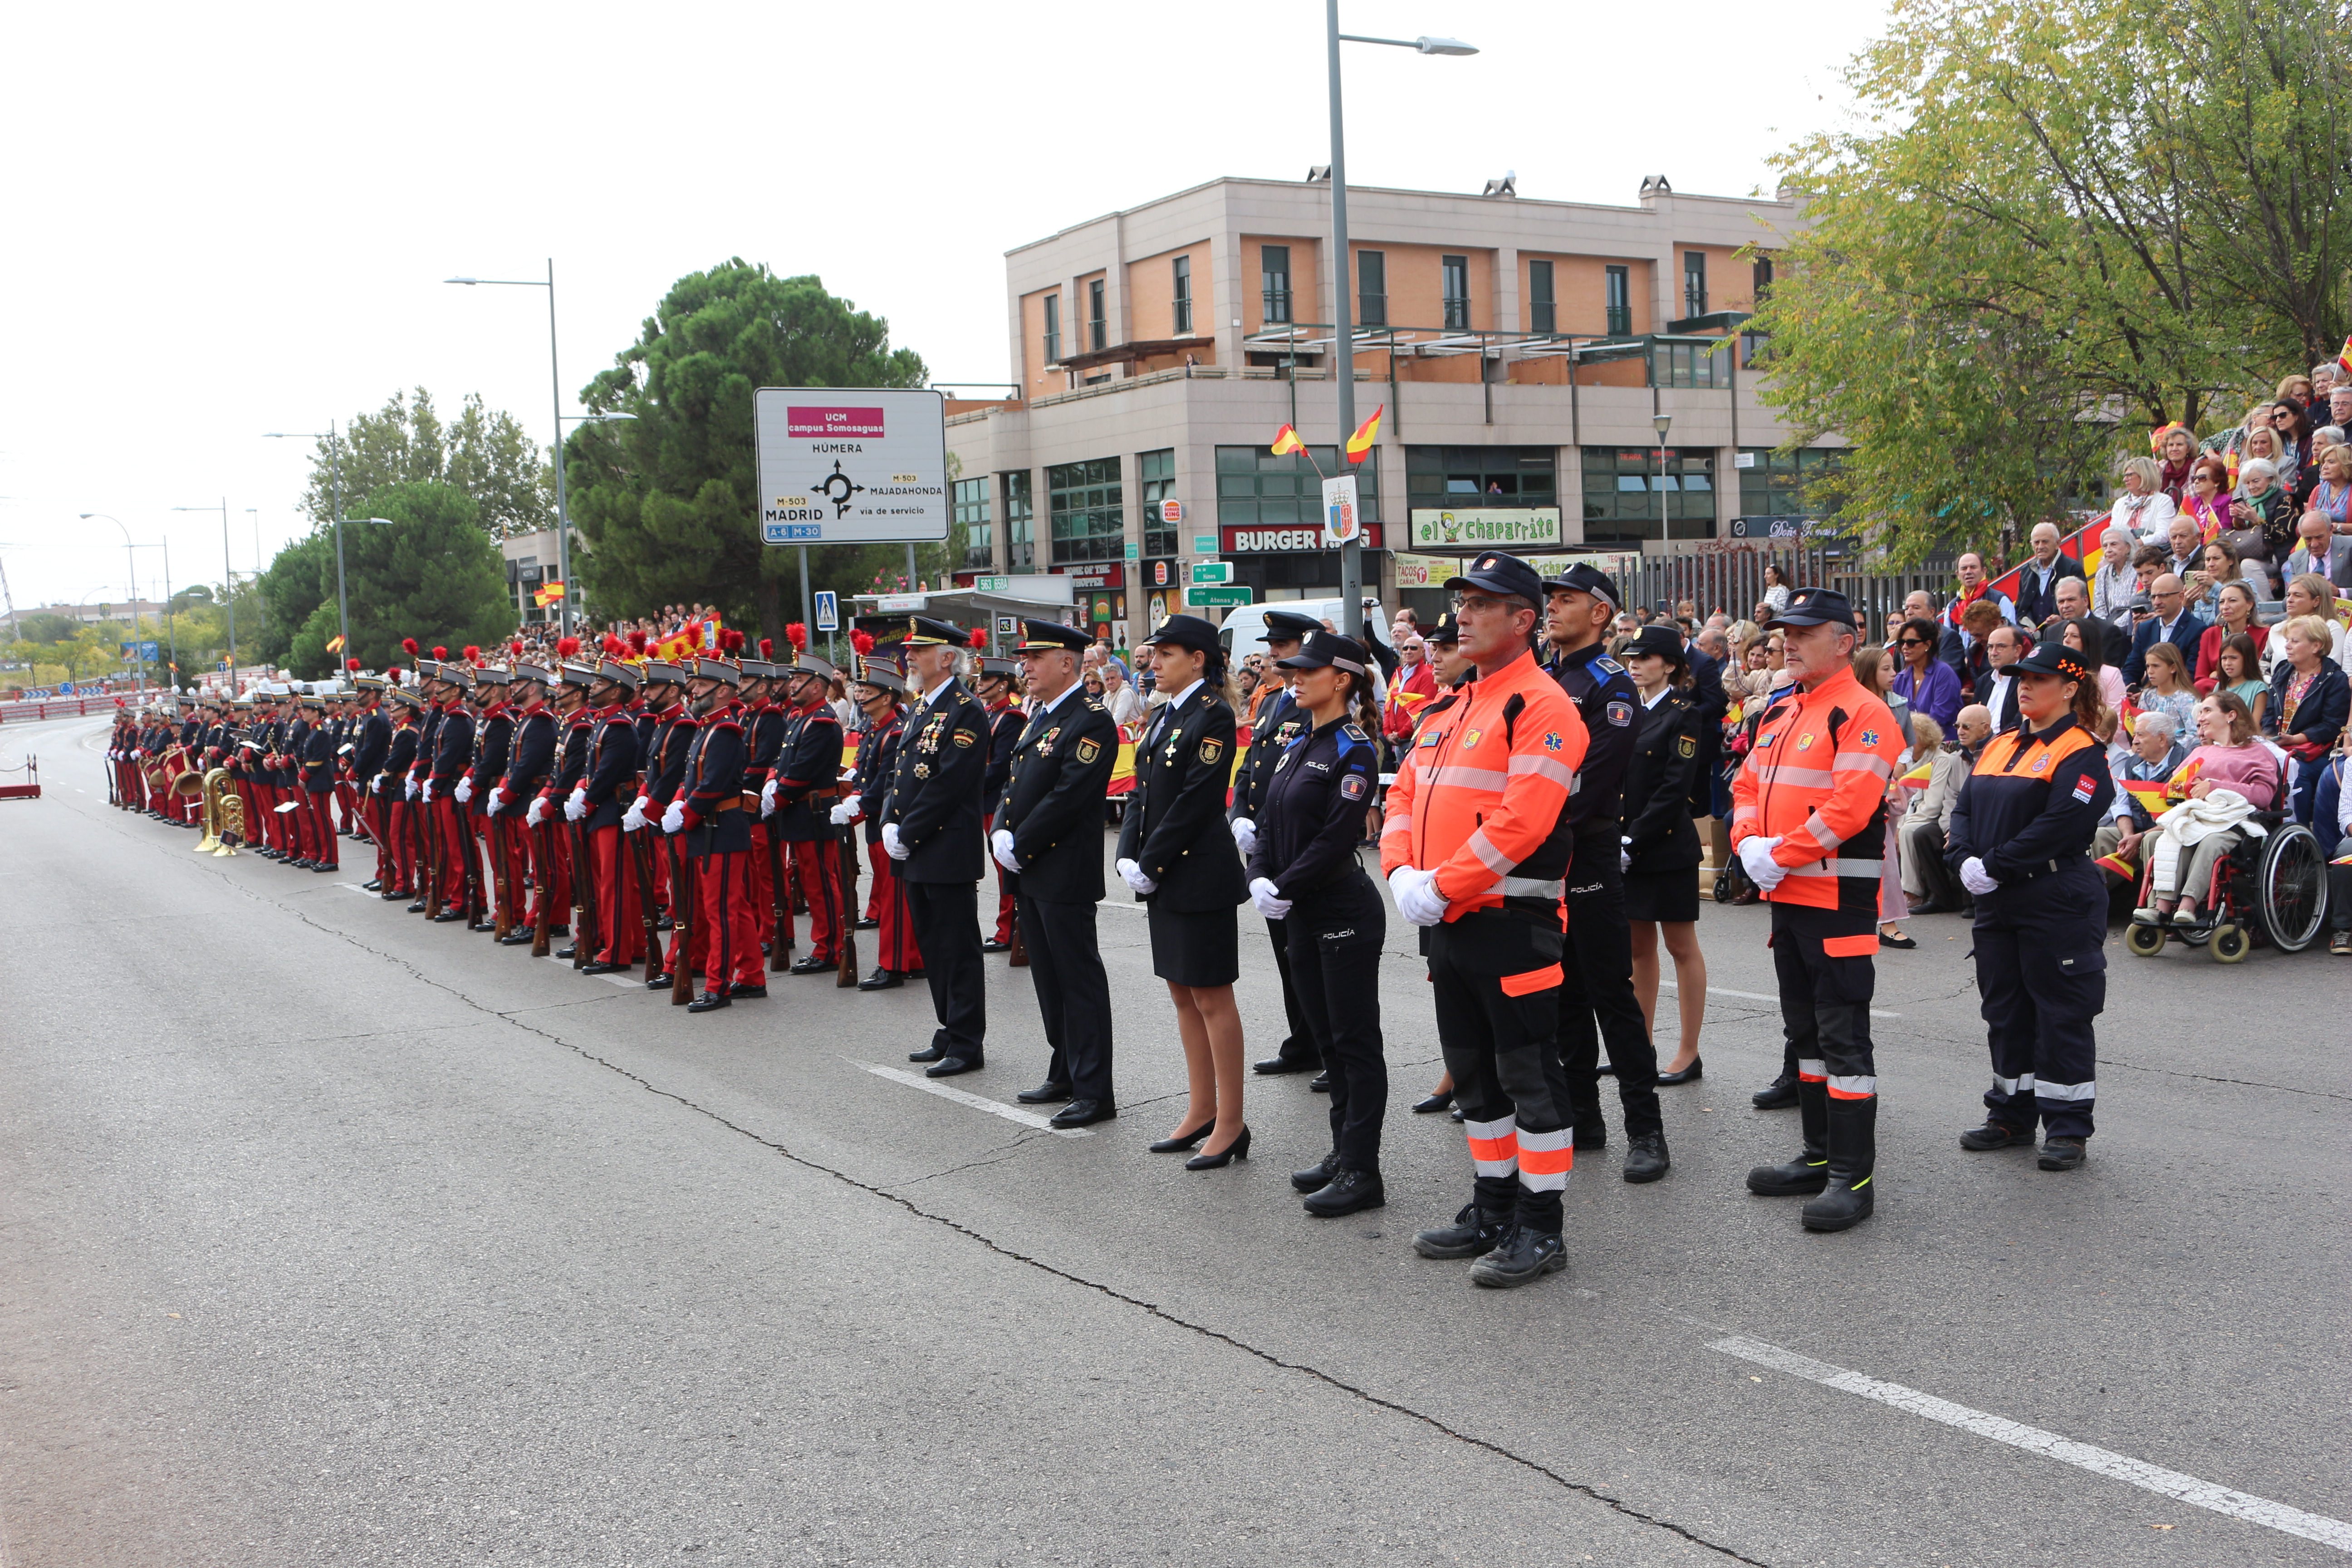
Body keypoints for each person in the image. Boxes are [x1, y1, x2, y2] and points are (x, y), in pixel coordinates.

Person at [1381, 551, 1587, 1287]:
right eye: (1459, 601)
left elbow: (1521, 821)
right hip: (1448, 920)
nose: (1460, 614)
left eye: (1479, 603)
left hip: (1510, 921)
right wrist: (1403, 872)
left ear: (1522, 620)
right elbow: (1400, 798)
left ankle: (1541, 1226)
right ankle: (1494, 1207)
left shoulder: (1542, 706)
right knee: (1473, 1081)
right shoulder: (1449, 708)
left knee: (1529, 1075)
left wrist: (1441, 886)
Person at [1732, 587, 1902, 1232]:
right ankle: (1817, 1154)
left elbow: (1851, 806)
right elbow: (1746, 782)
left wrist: (1784, 853)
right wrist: (1751, 843)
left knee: (1842, 1039)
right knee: (1805, 1037)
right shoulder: (1782, 711)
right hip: (1790, 897)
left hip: (1835, 902)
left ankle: (1851, 1178)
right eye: (1785, 634)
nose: (1788, 643)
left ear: (1844, 641)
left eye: (1804, 633)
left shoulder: (1863, 714)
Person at [1944, 640, 2113, 1173]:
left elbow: (2062, 823)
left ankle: (2067, 1127)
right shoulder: (1998, 745)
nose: (2025, 686)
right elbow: (1965, 808)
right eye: (2021, 678)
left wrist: (1994, 865)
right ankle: (2011, 1115)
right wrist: (1962, 858)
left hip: (2054, 897)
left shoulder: (2082, 750)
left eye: (2037, 679)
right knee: (2005, 1011)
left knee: (2061, 1012)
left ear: (2069, 689)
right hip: (1999, 900)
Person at [1247, 631, 1390, 1216]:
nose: (1294, 677)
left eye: (1308, 670)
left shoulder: (1354, 749)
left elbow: (1336, 837)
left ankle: (1363, 1169)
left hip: (1340, 909)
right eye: (1292, 669)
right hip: (1301, 911)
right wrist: (1258, 872)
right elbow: (1266, 816)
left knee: (1355, 1043)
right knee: (1329, 1044)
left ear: (1343, 680)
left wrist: (1284, 885)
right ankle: (1342, 1150)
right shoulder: (1297, 742)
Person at [1541, 563, 1669, 1183]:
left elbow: (1595, 775)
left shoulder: (1609, 683)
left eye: (1566, 600)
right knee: (1560, 992)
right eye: (1550, 600)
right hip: (1541, 854)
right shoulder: (1544, 677)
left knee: (1610, 994)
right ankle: (1583, 1116)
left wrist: (1531, 818)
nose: (1552, 609)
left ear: (1599, 613)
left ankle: (1646, 1130)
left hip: (1583, 849)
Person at [1117, 613, 1253, 1168]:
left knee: (1212, 997)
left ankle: (1231, 1122)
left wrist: (1150, 860)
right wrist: (1128, 852)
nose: (1154, 664)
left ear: (1198, 659)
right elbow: (1142, 794)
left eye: (1166, 655)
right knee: (1182, 994)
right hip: (1166, 873)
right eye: (1154, 655)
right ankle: (1200, 1109)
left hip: (1199, 875)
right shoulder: (1163, 716)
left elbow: (1198, 799)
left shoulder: (1212, 716)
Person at [993, 622, 1120, 1129]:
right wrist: (1001, 828)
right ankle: (1064, 1069)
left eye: (1035, 657)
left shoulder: (1090, 720)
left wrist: (1020, 843)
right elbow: (1015, 782)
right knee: (1048, 978)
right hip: (1030, 869)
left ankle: (1095, 1090)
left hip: (1062, 869)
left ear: (1067, 663)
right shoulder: (1039, 718)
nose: (1024, 666)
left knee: (1077, 980)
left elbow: (1069, 796)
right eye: (1025, 658)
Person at [883, 617, 993, 1076]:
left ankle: (967, 1042)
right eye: (910, 649)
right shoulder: (923, 707)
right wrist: (890, 819)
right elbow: (903, 774)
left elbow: (949, 784)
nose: (909, 655)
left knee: (956, 947)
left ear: (947, 658)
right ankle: (948, 1028)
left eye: (919, 649)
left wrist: (907, 833)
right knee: (932, 944)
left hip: (945, 847)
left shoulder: (965, 709)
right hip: (919, 850)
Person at [1228, 609, 1327, 1083]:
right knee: (1286, 952)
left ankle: (1327, 1044)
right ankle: (1302, 1040)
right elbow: (1253, 766)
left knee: (1310, 952)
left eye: (1284, 646)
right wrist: (1239, 816)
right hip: (1264, 842)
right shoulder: (1271, 700)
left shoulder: (1314, 703)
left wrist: (1262, 828)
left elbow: (1301, 783)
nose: (1274, 653)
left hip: (1292, 841)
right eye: (1274, 645)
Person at [1617, 626, 1707, 1085]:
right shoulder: (1627, 711)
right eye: (1631, 656)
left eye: (1645, 657)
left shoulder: (1683, 714)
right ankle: (1641, 1044)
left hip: (1665, 848)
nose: (1635, 664)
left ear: (1669, 665)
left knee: (1680, 945)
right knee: (1636, 948)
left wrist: (1635, 839)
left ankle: (1688, 1051)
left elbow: (1676, 787)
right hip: (1627, 846)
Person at [662, 641, 767, 1012]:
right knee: (733, 908)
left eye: (701, 686)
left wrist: (686, 813)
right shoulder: (707, 729)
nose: (693, 691)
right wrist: (679, 800)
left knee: (719, 911)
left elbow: (713, 787)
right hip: (711, 828)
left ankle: (718, 985)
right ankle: (752, 975)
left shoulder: (725, 732)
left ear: (723, 690)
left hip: (719, 828)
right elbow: (692, 779)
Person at [2135, 691, 2281, 931]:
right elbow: (2173, 788)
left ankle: (2188, 906)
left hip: (2233, 822)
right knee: (2156, 838)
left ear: (2231, 715)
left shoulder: (2257, 752)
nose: (2200, 717)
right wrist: (2184, 789)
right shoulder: (2200, 752)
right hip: (2197, 818)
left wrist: (2215, 786)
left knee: (2211, 842)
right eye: (2200, 712)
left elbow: (2264, 795)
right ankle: (2159, 908)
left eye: (2207, 711)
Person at [837, 655, 919, 989]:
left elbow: (888, 784)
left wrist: (859, 804)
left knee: (895, 901)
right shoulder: (876, 730)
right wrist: (854, 791)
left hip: (889, 824)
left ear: (887, 697)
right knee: (891, 896)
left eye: (867, 690)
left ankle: (894, 963)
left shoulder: (895, 733)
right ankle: (911, 958)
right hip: (875, 824)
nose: (859, 695)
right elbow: (863, 772)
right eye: (859, 689)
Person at [766, 648, 848, 976]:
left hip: (813, 813)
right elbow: (781, 760)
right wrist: (773, 782)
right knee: (812, 881)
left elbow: (803, 771)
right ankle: (824, 943)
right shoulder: (798, 719)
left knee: (820, 884)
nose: (792, 685)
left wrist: (780, 795)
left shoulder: (822, 722)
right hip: (799, 813)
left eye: (799, 680)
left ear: (818, 686)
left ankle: (830, 947)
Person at [569, 650, 645, 973]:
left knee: (613, 885)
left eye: (599, 682)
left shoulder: (619, 727)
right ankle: (633, 944)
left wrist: (586, 801)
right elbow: (593, 769)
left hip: (613, 809)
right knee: (611, 882)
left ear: (616, 691)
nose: (593, 687)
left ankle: (617, 952)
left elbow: (609, 773)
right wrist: (580, 788)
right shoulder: (604, 723)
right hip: (603, 808)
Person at [2264, 613, 2350, 823]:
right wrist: (2269, 738)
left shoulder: (2334, 680)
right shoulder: (2283, 671)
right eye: (2287, 641)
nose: (2288, 646)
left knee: (2296, 772)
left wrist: (2295, 740)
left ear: (2316, 646)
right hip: (2279, 746)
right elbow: (2269, 713)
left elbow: (2332, 726)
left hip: (2314, 752)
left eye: (2295, 641)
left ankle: (2299, 836)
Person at [2090, 709, 2185, 892]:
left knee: (2151, 839)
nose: (2134, 741)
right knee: (2098, 836)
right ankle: (2090, 900)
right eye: (2134, 735)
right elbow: (2122, 805)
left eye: (2141, 735)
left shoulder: (2183, 764)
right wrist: (2128, 836)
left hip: (2167, 833)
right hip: (2134, 832)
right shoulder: (2133, 763)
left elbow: (2180, 814)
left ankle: (2152, 908)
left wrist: (2140, 837)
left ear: (2162, 739)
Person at [1897, 709, 1974, 914]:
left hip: (1929, 816)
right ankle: (1889, 890)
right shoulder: (1904, 761)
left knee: (1909, 832)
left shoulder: (1941, 761)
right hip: (1908, 814)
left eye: (1911, 735)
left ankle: (1912, 891)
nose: (1906, 739)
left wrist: (1902, 825)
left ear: (1924, 737)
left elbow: (1933, 805)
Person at [974, 655, 1025, 954]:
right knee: (999, 868)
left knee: (1005, 867)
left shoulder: (1011, 718)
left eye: (985, 679)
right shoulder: (990, 715)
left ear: (1002, 684)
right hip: (986, 800)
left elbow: (1000, 767)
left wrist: (970, 787)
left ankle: (1009, 930)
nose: (979, 684)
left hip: (997, 800)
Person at [2123, 573, 2207, 689]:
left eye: (2163, 596)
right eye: (2153, 597)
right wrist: (2130, 689)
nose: (2157, 602)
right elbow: (2132, 667)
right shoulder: (2145, 629)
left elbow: (2190, 675)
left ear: (2181, 597)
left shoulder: (2198, 630)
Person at [2192, 581, 2267, 692]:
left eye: (2232, 601)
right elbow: (2201, 678)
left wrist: (2219, 675)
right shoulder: (2210, 634)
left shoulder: (2264, 634)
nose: (2225, 607)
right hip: (2215, 694)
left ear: (2249, 605)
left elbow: (2258, 675)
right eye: (2222, 602)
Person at [1892, 616, 1961, 733]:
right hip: (1910, 745)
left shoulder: (1944, 674)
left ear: (1928, 645)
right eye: (1902, 642)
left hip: (1942, 744)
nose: (1905, 647)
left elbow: (1939, 719)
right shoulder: (1900, 679)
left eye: (1911, 643)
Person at [2014, 521, 2086, 626]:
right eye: (2036, 542)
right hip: (2031, 634)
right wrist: (2025, 628)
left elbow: (2083, 606)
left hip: (2063, 631)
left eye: (2045, 542)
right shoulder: (2026, 571)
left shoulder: (2072, 568)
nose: (2040, 547)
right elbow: (2020, 609)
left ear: (2058, 543)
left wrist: (2063, 621)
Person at [2230, 458, 2297, 562]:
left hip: (2278, 555)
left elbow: (2282, 536)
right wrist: (2238, 519)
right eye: (2247, 483)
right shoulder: (2250, 501)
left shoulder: (2286, 498)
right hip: (2253, 552)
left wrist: (2257, 520)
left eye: (2256, 481)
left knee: (2247, 564)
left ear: (2270, 479)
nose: (2251, 487)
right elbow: (2246, 535)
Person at [2109, 456, 2177, 542]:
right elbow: (2112, 534)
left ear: (2145, 475)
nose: (2125, 479)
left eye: (2129, 475)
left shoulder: (2163, 501)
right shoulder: (2120, 503)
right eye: (2125, 476)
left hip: (2150, 553)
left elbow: (2164, 536)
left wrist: (2136, 544)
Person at [2281, 509, 2352, 588]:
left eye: (2319, 537)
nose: (2314, 545)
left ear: (2330, 530)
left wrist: (2339, 593)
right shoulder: (2296, 559)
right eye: (2308, 539)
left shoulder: (2350, 547)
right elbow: (2290, 597)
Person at [2140, 642, 2199, 735]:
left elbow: (2194, 735)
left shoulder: (2187, 699)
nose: (2150, 672)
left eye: (2156, 666)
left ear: (2173, 668)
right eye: (2148, 666)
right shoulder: (2147, 695)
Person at [2177, 455, 2233, 547]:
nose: (2196, 482)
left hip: (2214, 548)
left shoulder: (2226, 502)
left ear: (2217, 482)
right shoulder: (2192, 503)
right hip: (2188, 548)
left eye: (2202, 478)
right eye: (2195, 479)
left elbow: (2223, 534)